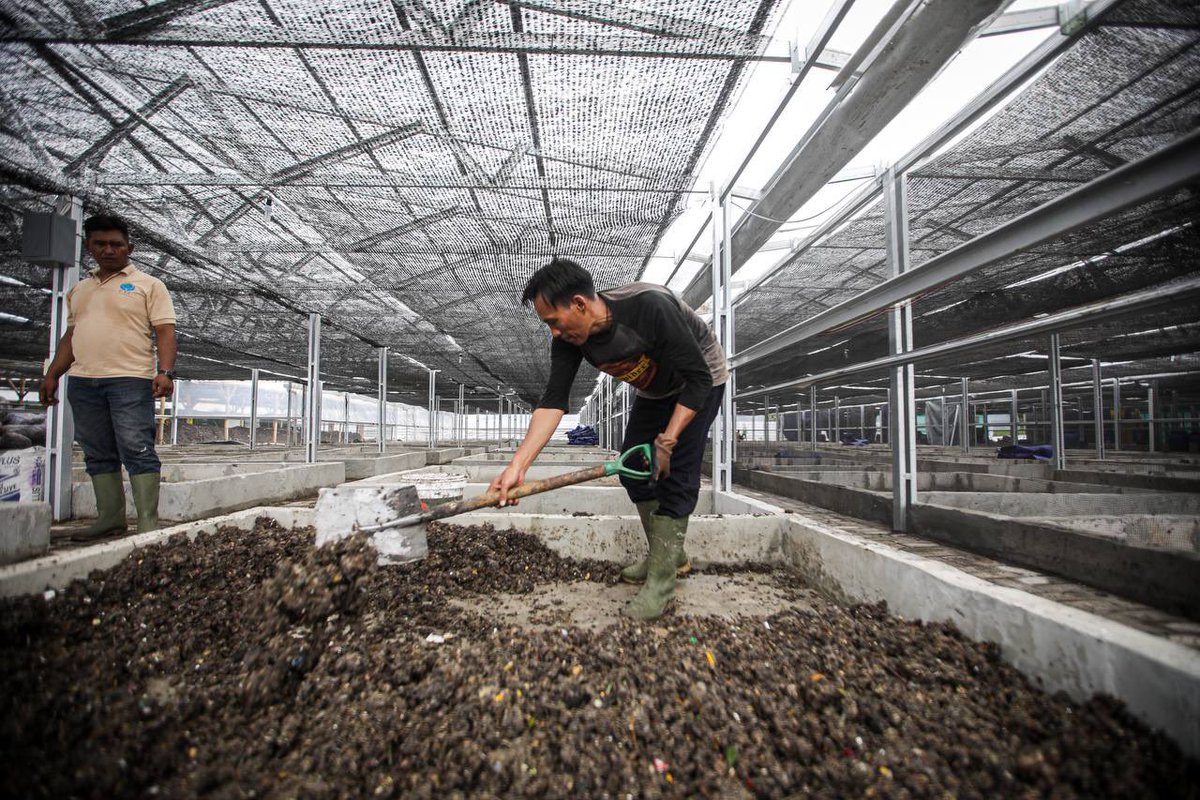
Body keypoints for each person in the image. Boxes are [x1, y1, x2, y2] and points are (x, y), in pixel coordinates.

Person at [489, 258, 727, 619]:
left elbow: (698, 379)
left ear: (580, 304)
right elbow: (554, 401)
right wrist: (517, 467)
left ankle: (662, 585)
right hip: (654, 391)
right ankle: (669, 557)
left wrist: (668, 440)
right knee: (634, 472)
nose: (553, 332)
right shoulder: (571, 340)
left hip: (701, 381)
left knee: (677, 476)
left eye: (553, 321)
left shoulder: (649, 307)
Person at [39, 213, 177, 537]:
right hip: (84, 380)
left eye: (116, 244)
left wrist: (165, 372)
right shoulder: (79, 290)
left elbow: (165, 331)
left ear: (129, 246)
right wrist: (52, 374)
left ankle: (147, 522)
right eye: (100, 244)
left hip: (130, 378)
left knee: (136, 446)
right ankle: (110, 518)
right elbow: (71, 337)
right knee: (96, 449)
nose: (109, 250)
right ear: (89, 247)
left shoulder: (148, 286)